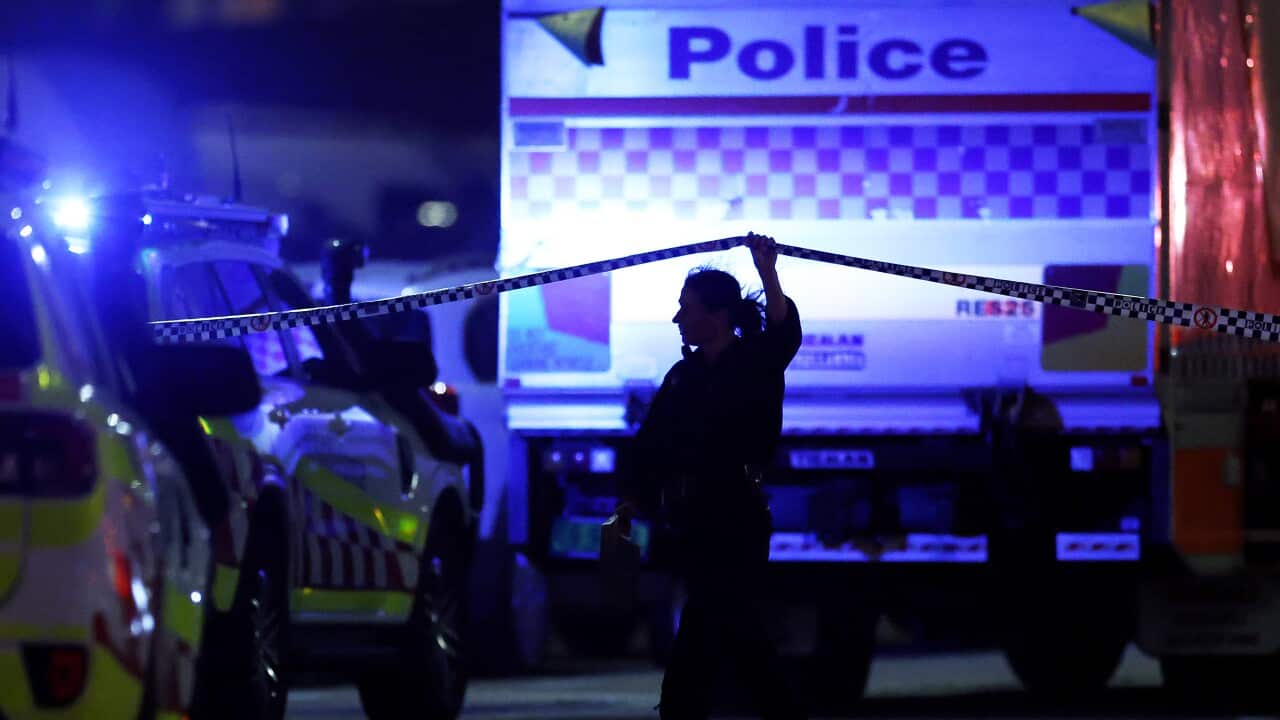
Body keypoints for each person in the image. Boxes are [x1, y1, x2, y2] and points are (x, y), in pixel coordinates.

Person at [615, 232, 806, 720]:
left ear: (717, 315)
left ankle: (683, 708)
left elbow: (783, 333)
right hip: (695, 522)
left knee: (717, 629)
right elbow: (652, 444)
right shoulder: (683, 378)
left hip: (737, 518)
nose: (678, 318)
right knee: (731, 631)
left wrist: (768, 271)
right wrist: (633, 498)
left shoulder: (756, 364)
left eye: (687, 307)